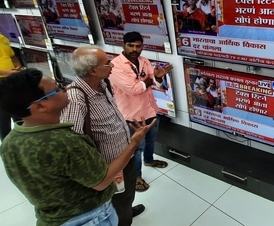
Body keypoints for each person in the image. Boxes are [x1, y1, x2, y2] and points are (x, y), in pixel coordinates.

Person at [0, 68, 154, 226]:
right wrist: (134, 142)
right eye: (57, 90)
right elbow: (101, 181)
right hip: (91, 218)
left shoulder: (10, 142)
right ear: (39, 106)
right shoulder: (66, 142)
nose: (66, 89)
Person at [60, 46, 145, 225]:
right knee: (115, 200)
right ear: (92, 70)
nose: (112, 66)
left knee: (126, 194)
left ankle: (126, 210)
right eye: (107, 63)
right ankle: (123, 219)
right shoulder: (76, 98)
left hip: (124, 157)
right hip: (108, 166)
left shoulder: (102, 84)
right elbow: (72, 143)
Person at [109, 32, 173, 193]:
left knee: (151, 140)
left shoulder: (144, 61)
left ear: (142, 46)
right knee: (137, 148)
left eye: (138, 46)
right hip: (132, 116)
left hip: (150, 110)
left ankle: (149, 160)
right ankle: (136, 176)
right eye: (131, 45)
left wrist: (158, 78)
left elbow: (156, 84)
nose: (134, 49)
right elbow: (132, 89)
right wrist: (151, 80)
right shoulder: (115, 65)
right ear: (123, 45)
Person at [0, 33, 24, 140]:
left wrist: (17, 65)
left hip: (12, 80)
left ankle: (23, 141)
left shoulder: (3, 38)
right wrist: (6, 72)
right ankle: (7, 145)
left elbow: (12, 56)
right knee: (3, 117)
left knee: (19, 111)